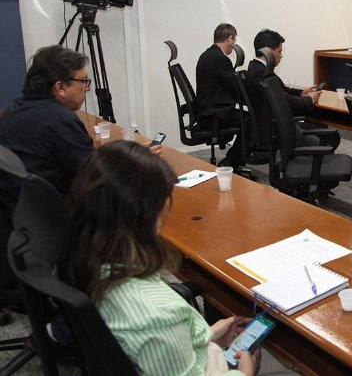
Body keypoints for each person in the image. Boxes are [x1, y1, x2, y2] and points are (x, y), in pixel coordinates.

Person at [60, 141, 260, 375]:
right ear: (141, 217)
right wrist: (244, 372)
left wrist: (206, 335)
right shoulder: (156, 314)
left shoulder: (79, 258)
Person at [0, 45, 93, 222]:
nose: (87, 89)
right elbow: (95, 176)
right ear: (60, 87)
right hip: (54, 220)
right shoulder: (62, 121)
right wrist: (132, 160)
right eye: (84, 82)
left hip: (17, 216)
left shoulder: (15, 109)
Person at [245, 29, 336, 152]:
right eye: (279, 51)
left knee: (324, 129)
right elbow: (284, 101)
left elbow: (281, 90)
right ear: (269, 52)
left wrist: (301, 92)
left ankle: (307, 164)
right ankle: (306, 165)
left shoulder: (256, 67)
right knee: (331, 138)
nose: (281, 55)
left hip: (274, 124)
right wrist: (309, 99)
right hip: (278, 128)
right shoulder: (262, 74)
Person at [195, 23, 246, 168]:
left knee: (247, 117)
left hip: (208, 110)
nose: (234, 43)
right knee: (250, 121)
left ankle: (236, 159)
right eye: (234, 40)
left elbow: (228, 81)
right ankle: (231, 162)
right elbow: (235, 85)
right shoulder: (219, 59)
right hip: (213, 114)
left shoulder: (208, 54)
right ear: (230, 39)